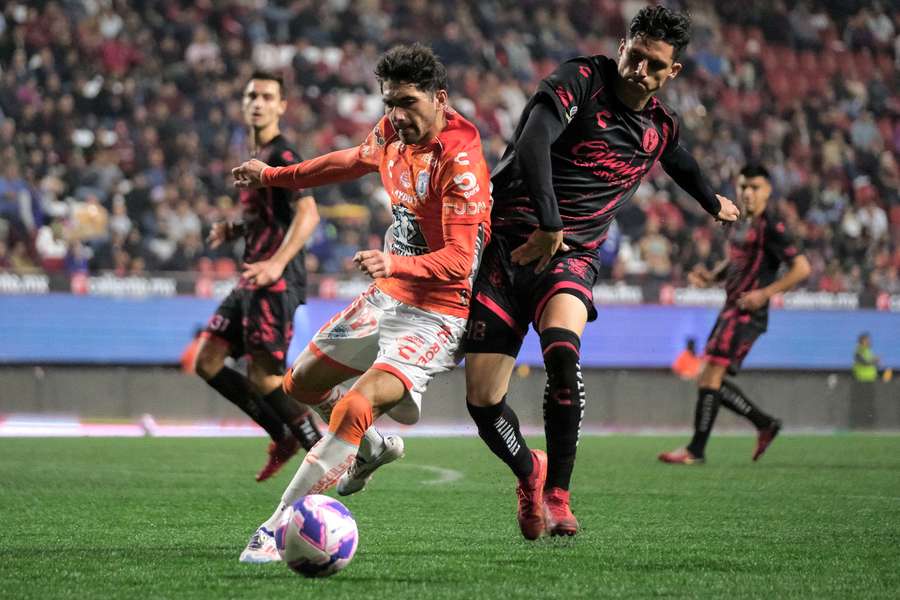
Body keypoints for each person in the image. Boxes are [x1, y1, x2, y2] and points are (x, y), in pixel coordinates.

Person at [463, 5, 741, 540]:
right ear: (622, 46)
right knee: (482, 400)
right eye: (634, 56)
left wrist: (711, 201)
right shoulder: (580, 81)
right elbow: (531, 144)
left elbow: (679, 160)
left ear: (672, 72)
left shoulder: (658, 127)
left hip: (571, 258)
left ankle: (559, 495)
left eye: (654, 65)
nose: (640, 70)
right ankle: (529, 472)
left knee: (563, 353)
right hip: (508, 247)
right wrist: (547, 223)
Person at [230, 43, 492, 563]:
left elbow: (461, 260)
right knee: (300, 383)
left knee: (354, 405)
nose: (397, 116)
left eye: (409, 103)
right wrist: (274, 176)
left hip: (439, 311)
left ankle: (276, 526)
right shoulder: (393, 132)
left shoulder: (460, 161)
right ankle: (369, 450)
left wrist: (393, 263)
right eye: (389, 103)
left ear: (440, 99)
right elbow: (350, 161)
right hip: (389, 294)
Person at [194, 71, 323, 483]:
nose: (258, 102)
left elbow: (308, 212)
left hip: (274, 280)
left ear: (282, 106)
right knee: (208, 360)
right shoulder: (257, 152)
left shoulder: (283, 155)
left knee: (265, 375)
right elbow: (271, 216)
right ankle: (282, 435)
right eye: (252, 94)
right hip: (252, 277)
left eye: (268, 96)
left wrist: (277, 263)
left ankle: (319, 450)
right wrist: (237, 229)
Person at [659, 164, 811, 465]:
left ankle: (696, 450)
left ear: (768, 190)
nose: (748, 193)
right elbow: (737, 260)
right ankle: (764, 424)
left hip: (747, 313)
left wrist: (764, 294)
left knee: (710, 376)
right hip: (731, 308)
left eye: (755, 187)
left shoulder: (772, 227)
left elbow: (802, 268)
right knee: (707, 378)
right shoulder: (741, 222)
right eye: (743, 187)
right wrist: (712, 277)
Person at [850, 332, 879, 429]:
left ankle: (868, 425)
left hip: (869, 380)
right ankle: (858, 425)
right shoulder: (859, 350)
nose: (869, 342)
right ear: (862, 341)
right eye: (867, 340)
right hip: (861, 380)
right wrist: (873, 361)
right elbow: (862, 361)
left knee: (869, 405)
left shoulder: (868, 351)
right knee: (861, 404)